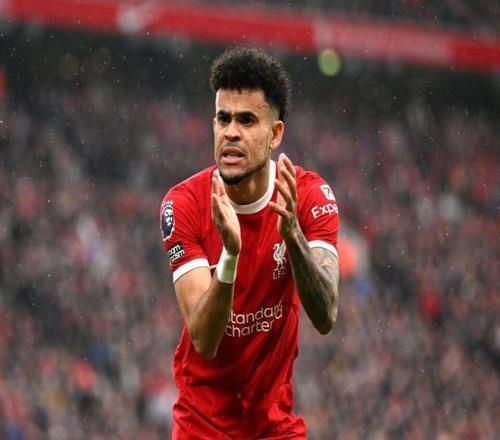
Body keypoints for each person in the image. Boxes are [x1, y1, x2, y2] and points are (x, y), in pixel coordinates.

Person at [160, 47, 340, 439]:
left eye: (246, 120)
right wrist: (230, 255)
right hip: (202, 428)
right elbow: (204, 339)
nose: (231, 132)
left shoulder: (309, 197)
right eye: (223, 118)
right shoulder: (184, 205)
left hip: (275, 427)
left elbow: (326, 314)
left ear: (275, 134)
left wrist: (292, 236)